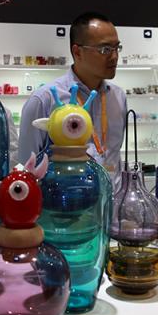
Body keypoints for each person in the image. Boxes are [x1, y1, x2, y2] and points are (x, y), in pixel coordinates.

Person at [18, 12, 127, 185]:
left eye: (117, 48)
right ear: (77, 52)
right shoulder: (44, 99)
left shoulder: (118, 97)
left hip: (112, 200)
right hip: (63, 201)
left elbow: (114, 156)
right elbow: (26, 168)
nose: (114, 57)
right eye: (105, 49)